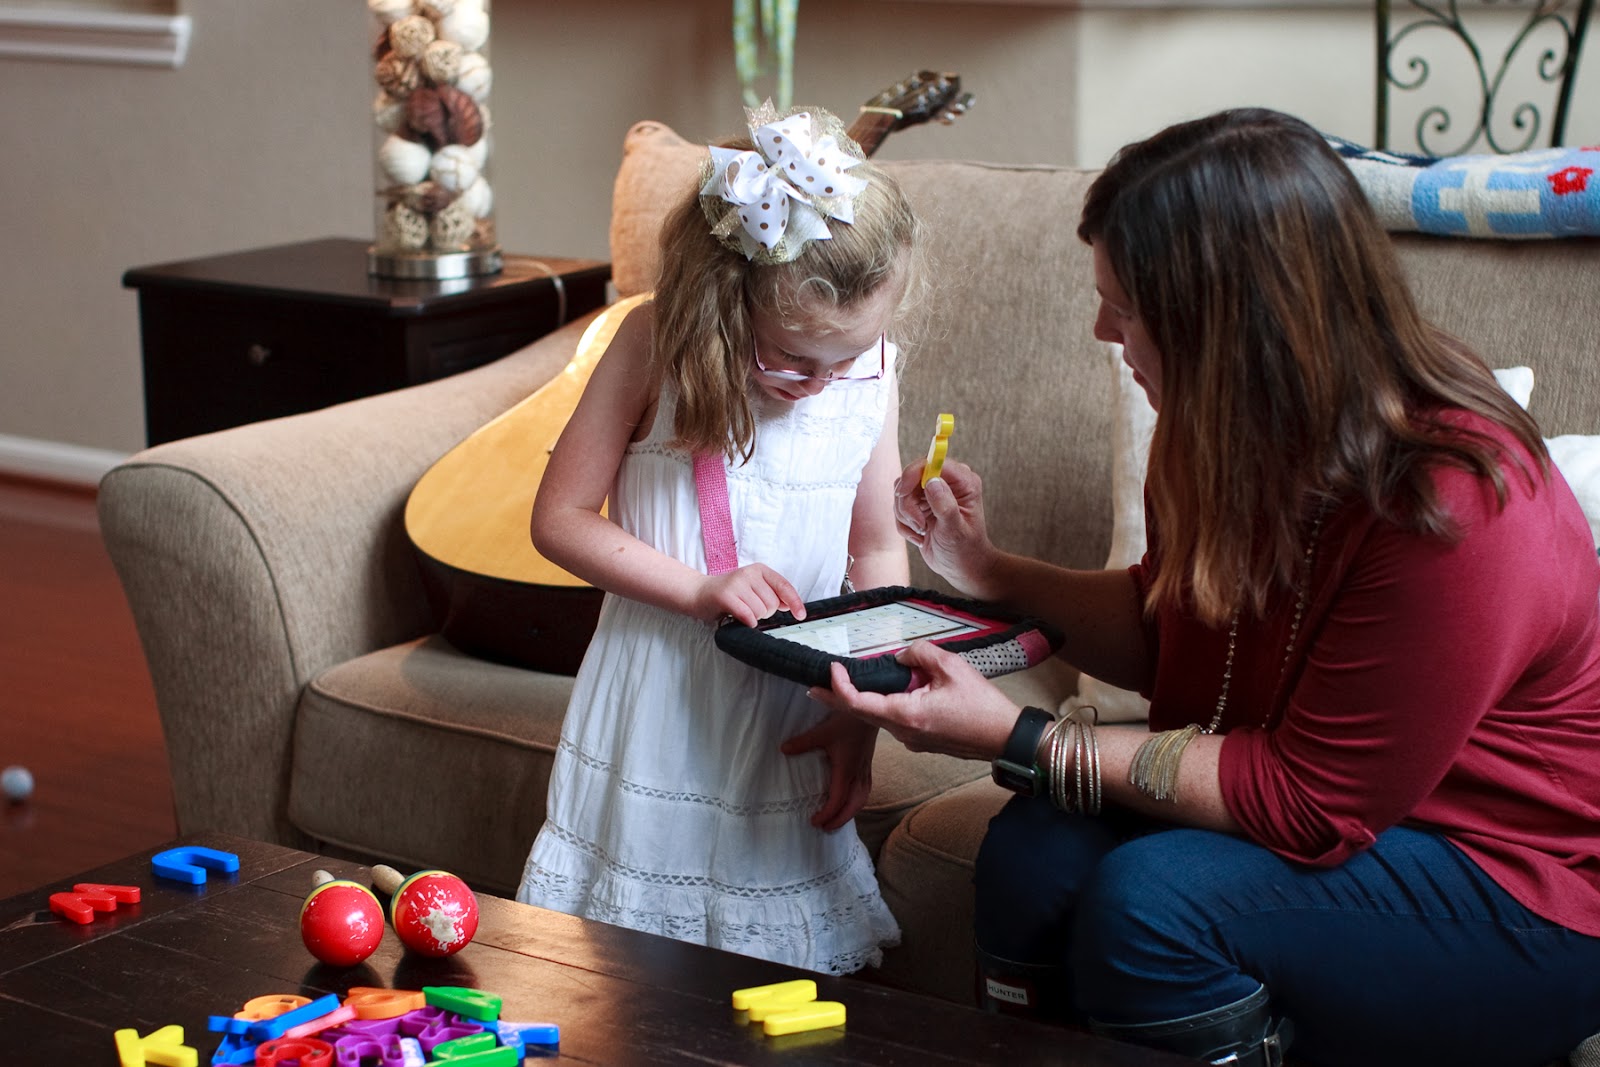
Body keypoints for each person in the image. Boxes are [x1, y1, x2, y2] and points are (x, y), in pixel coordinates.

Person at [809, 108, 1600, 1066]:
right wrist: (988, 570)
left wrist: (1015, 734)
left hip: (1516, 885)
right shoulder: (1211, 423)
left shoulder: (1456, 498)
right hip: (1341, 827)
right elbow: (1177, 635)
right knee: (1033, 851)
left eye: (1127, 307)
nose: (1103, 330)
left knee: (1153, 904)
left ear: (1227, 323)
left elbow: (1309, 799)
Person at [516, 103, 920, 975]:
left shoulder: (872, 374)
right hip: (659, 693)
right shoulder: (650, 344)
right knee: (628, 975)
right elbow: (559, 519)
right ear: (719, 304)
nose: (820, 386)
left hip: (794, 701)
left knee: (778, 978)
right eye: (790, 360)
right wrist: (700, 591)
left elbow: (878, 547)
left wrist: (866, 710)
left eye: (844, 361)